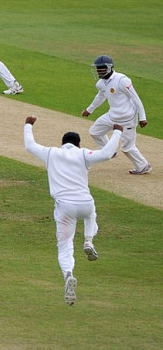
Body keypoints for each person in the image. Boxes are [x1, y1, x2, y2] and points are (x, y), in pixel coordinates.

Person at [24, 116, 122, 306]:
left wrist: (28, 124)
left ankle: (68, 274)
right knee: (92, 213)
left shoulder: (51, 153)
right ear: (78, 144)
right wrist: (117, 131)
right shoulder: (84, 154)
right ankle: (88, 241)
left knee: (65, 246)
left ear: (62, 143)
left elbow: (29, 145)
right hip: (85, 203)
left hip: (64, 208)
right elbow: (108, 153)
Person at [81, 55, 150, 175]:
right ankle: (110, 151)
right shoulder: (101, 83)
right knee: (95, 131)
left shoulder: (122, 80)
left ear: (109, 67)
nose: (98, 71)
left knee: (127, 148)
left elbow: (135, 98)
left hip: (127, 119)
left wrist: (142, 117)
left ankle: (143, 166)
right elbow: (100, 96)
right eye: (97, 69)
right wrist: (89, 109)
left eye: (101, 68)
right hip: (112, 116)